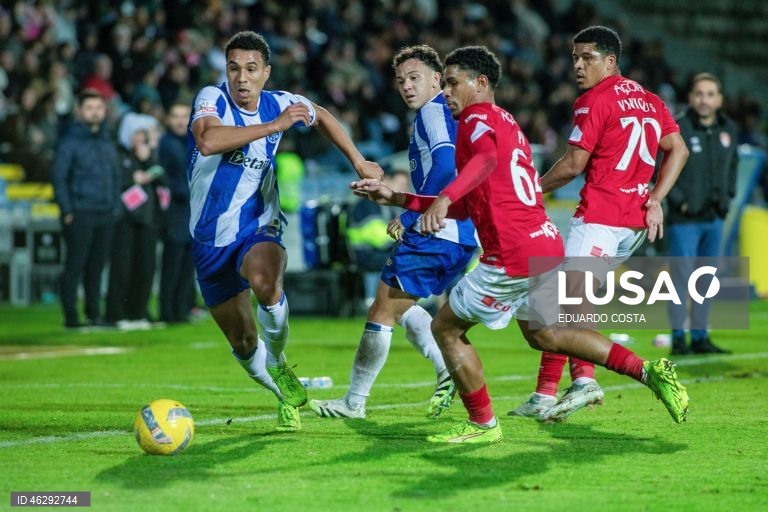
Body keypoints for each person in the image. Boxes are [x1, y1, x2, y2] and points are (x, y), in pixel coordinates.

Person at [351, 45, 689, 444]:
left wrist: (442, 197)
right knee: (548, 335)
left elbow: (485, 163)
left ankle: (482, 424)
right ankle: (647, 370)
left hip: (510, 255)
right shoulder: (506, 121)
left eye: (452, 83)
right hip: (543, 245)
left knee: (446, 328)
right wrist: (398, 198)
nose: (446, 93)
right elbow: (470, 199)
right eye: (443, 85)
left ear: (481, 83)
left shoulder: (475, 121)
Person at [188, 31, 383, 432]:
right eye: (234, 68)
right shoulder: (213, 98)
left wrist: (359, 162)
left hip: (258, 226)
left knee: (265, 282)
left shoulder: (281, 102)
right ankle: (281, 390)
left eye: (251, 70)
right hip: (208, 241)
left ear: (266, 73)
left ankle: (277, 358)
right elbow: (208, 140)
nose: (241, 78)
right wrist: (273, 125)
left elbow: (323, 116)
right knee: (242, 343)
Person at [509, 26, 689, 422]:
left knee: (562, 310)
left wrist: (529, 191)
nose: (577, 65)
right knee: (552, 307)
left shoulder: (595, 100)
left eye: (586, 57)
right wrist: (656, 197)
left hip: (601, 221)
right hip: (633, 225)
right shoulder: (648, 98)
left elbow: (574, 164)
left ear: (610, 61)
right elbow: (678, 148)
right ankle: (543, 395)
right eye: (574, 57)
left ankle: (593, 379)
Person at [308, 45, 478, 420]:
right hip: (460, 233)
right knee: (402, 309)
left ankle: (354, 402)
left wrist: (413, 212)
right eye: (401, 80)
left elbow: (447, 165)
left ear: (437, 79)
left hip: (439, 228)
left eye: (414, 77)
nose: (406, 86)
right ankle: (444, 367)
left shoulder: (433, 111)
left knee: (382, 309)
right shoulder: (446, 115)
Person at [666, 73, 737, 355]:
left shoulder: (728, 128)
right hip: (684, 220)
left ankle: (700, 335)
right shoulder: (678, 128)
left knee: (707, 279)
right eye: (699, 94)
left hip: (714, 217)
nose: (704, 100)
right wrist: (681, 202)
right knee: (681, 279)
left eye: (710, 94)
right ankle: (678, 337)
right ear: (690, 98)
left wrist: (728, 196)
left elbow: (733, 166)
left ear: (719, 99)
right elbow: (662, 169)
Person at [51, 89, 121, 329]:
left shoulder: (106, 140)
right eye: (89, 108)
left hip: (105, 213)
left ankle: (94, 315)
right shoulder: (69, 141)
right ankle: (70, 318)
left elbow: (115, 176)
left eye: (98, 108)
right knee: (75, 265)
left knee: (97, 267)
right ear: (79, 111)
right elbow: (59, 178)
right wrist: (67, 210)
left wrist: (115, 207)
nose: (95, 112)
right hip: (80, 212)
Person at [106, 114, 164, 329]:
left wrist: (148, 160)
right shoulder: (118, 154)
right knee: (122, 267)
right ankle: (116, 313)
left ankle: (139, 312)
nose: (142, 138)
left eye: (145, 134)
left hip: (147, 220)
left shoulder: (150, 156)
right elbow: (114, 181)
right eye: (139, 133)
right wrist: (133, 178)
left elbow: (161, 179)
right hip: (124, 220)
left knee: (145, 267)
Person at [159, 101, 197, 324]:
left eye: (185, 116)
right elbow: (166, 179)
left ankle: (181, 310)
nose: (181, 121)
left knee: (186, 265)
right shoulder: (166, 144)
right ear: (168, 119)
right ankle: (168, 312)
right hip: (174, 212)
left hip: (191, 212)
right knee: (172, 265)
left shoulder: (191, 144)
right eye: (176, 116)